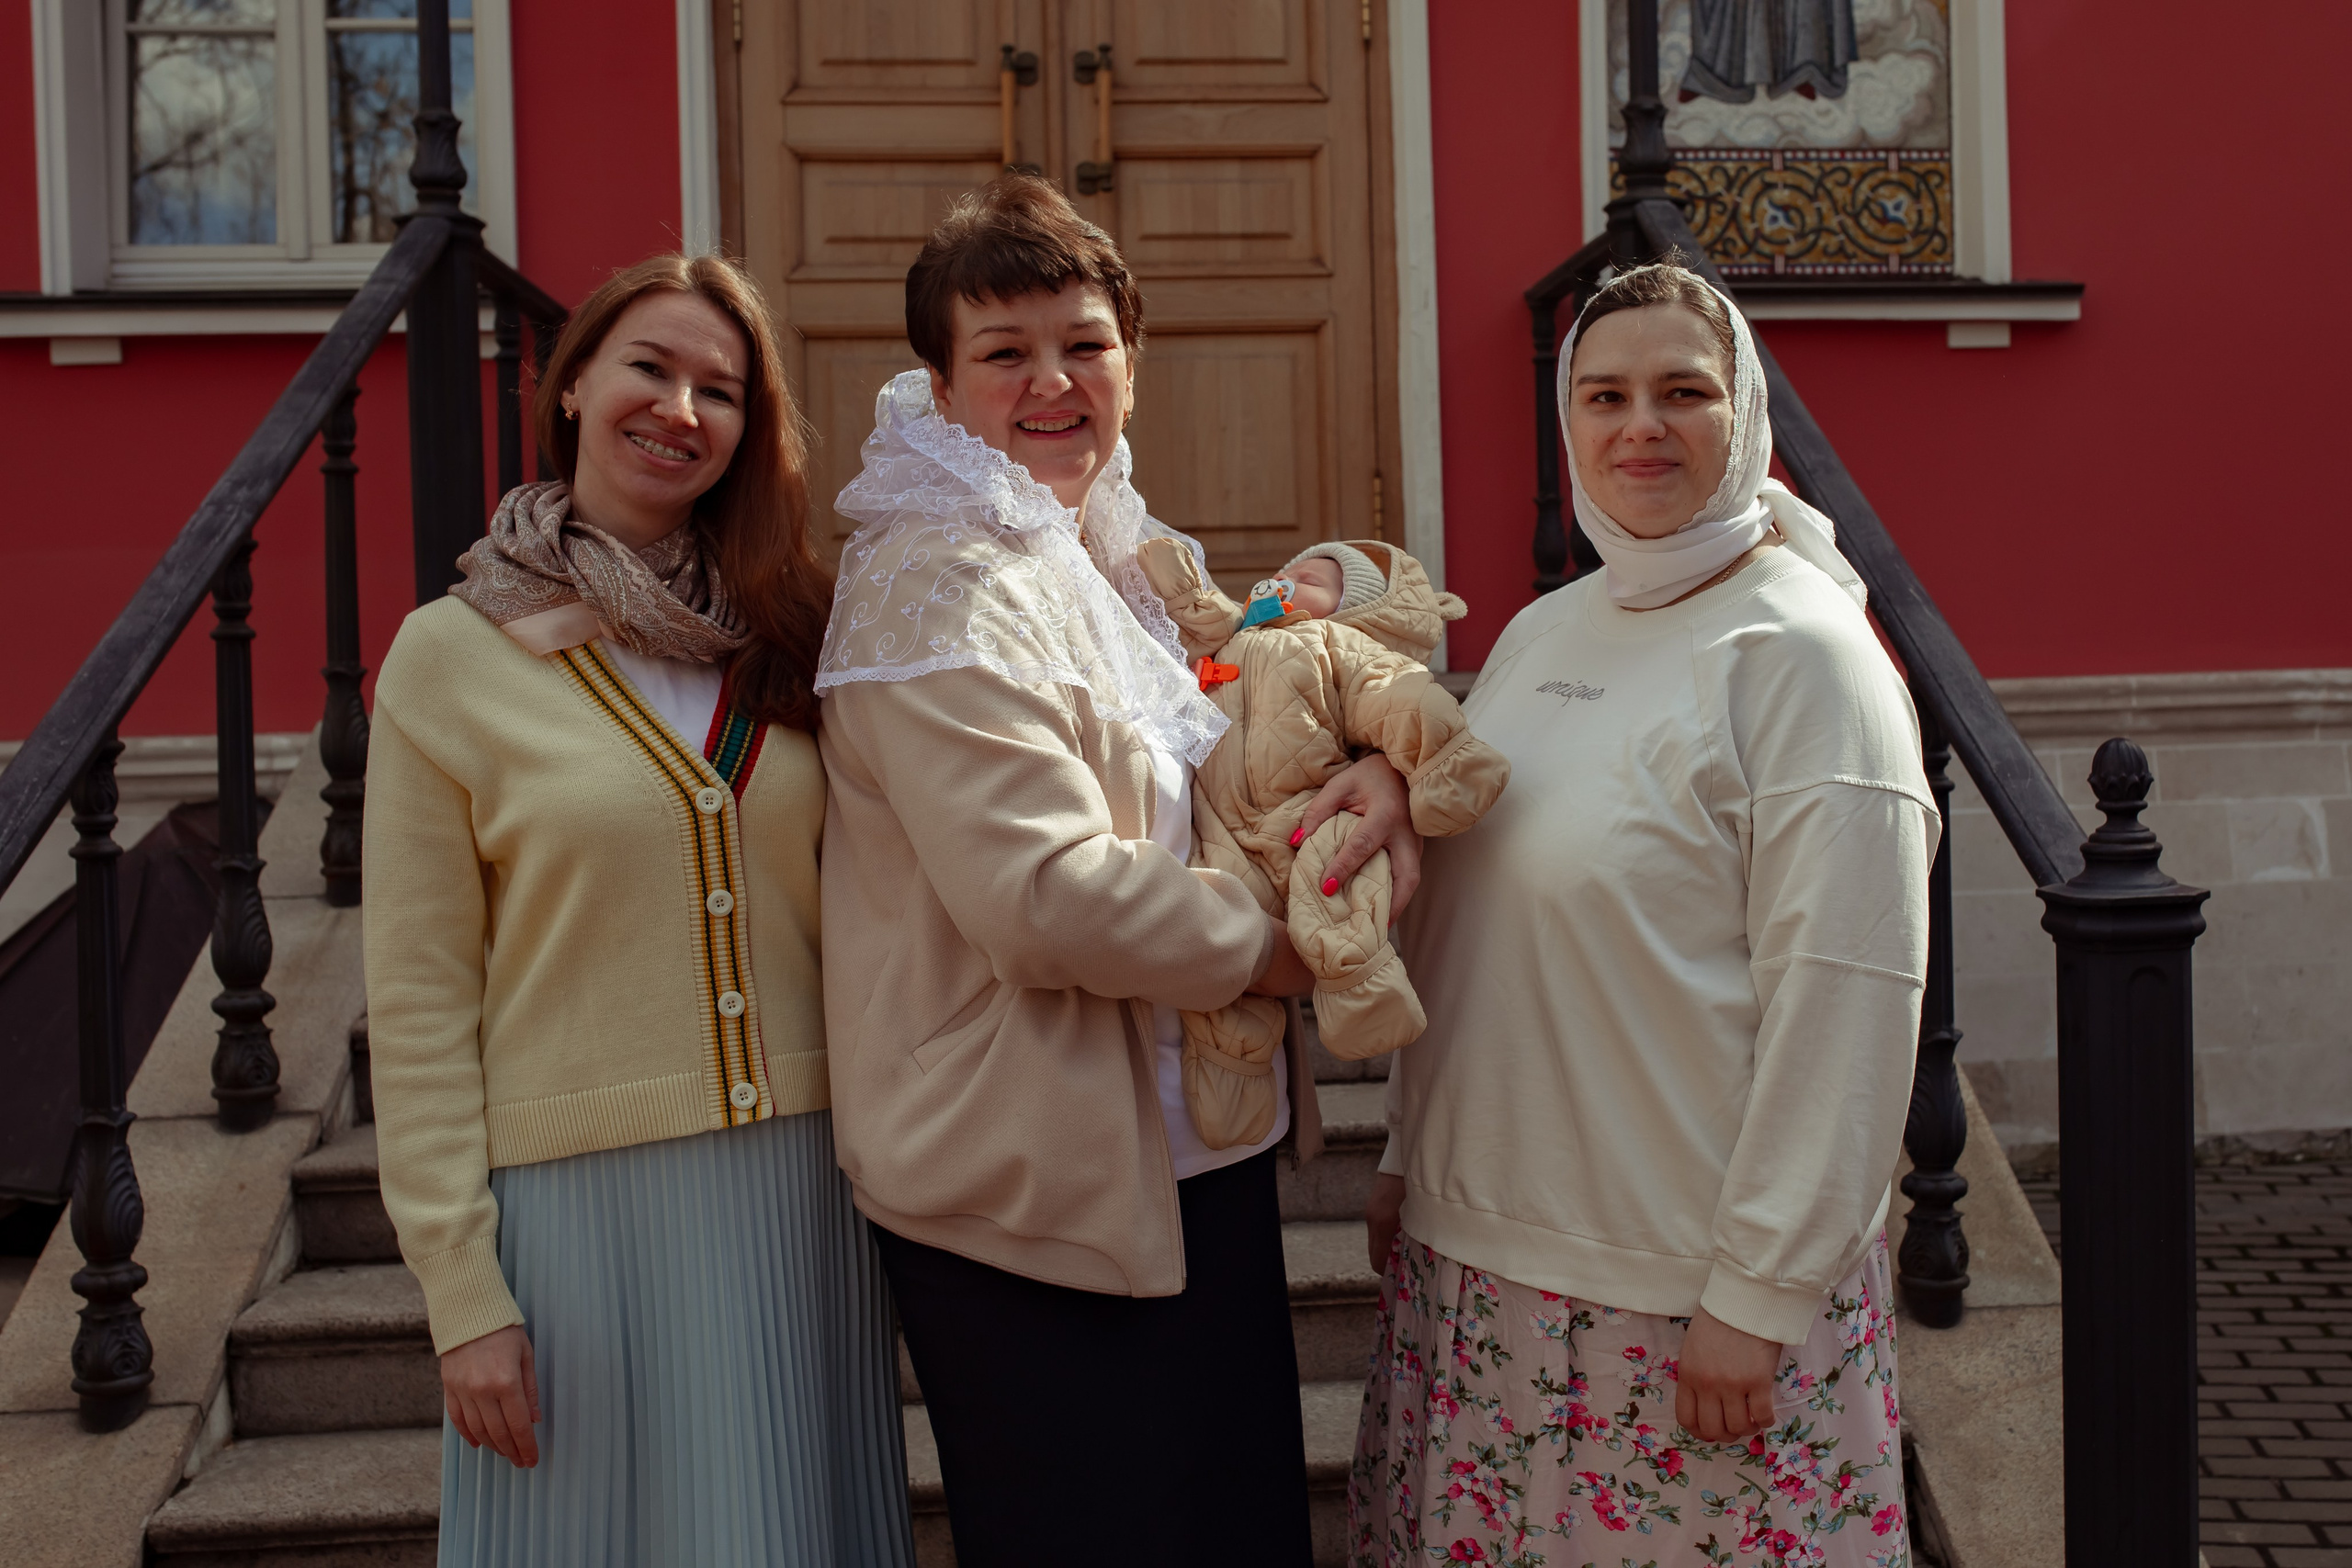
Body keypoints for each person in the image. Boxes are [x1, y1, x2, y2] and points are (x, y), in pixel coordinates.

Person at [815, 174, 1422, 1566]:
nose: (1051, 381)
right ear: (939, 382)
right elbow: (1045, 897)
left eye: (1083, 343)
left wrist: (1372, 765)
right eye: (1004, 351)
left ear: (1130, 365)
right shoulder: (939, 577)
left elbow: (1234, 745)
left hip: (1183, 1142)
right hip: (1031, 1175)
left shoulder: (1101, 559)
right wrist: (1287, 949)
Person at [1348, 259, 1936, 1567]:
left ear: (1747, 417)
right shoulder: (1540, 634)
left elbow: (1847, 992)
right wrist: (1404, 1152)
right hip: (1483, 1272)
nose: (1640, 427)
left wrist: (1762, 1288)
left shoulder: (1804, 659)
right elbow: (1475, 928)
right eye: (1604, 394)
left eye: (1685, 391)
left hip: (1676, 1303)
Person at [365, 254, 912, 1568]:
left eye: (718, 389)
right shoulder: (449, 655)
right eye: (649, 369)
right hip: (573, 1225)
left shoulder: (799, 633)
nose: (681, 407)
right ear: (572, 391)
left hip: (801, 1200)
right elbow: (422, 993)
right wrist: (461, 1290)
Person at [1135, 536, 1509, 1149]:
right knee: (1220, 972)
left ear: (1356, 611)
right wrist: (1173, 573)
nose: (1282, 578)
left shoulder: (1338, 645)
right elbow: (1197, 610)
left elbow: (1398, 695)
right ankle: (1233, 1083)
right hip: (1221, 833)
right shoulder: (1228, 641)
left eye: (1306, 576)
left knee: (1338, 877)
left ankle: (1363, 988)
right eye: (1281, 569)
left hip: (1306, 816)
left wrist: (1444, 757)